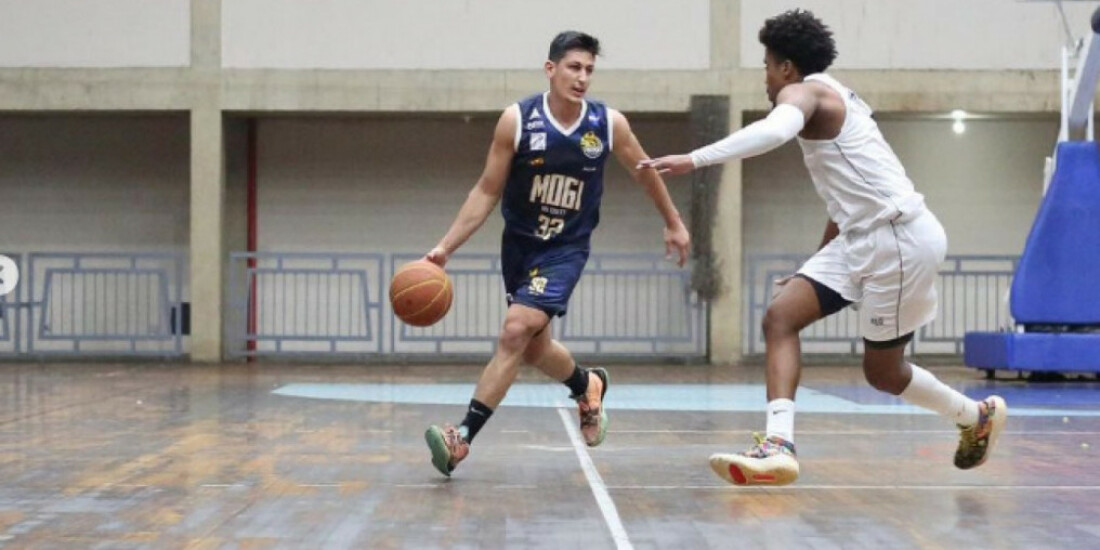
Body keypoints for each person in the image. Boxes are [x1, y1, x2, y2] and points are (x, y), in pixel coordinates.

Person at [640, 9, 1006, 486]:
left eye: (768, 66)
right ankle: (779, 445)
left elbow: (773, 131)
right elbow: (843, 205)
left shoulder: (806, 92)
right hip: (865, 237)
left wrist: (696, 158)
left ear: (787, 67)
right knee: (781, 316)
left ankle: (972, 416)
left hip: (899, 240)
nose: (766, 79)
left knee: (883, 372)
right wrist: (813, 267)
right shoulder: (836, 99)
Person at [423, 31, 691, 477]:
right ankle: (587, 384)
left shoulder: (608, 124)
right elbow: (487, 190)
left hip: (566, 249)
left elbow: (645, 173)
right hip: (520, 246)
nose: (582, 77)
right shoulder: (517, 120)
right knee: (532, 348)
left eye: (589, 69)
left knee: (515, 330)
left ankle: (462, 437)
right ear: (551, 69)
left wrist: (674, 220)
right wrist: (445, 247)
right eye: (574, 67)